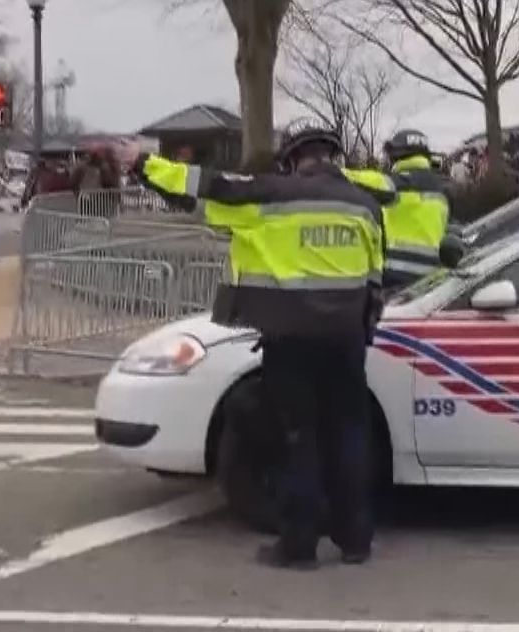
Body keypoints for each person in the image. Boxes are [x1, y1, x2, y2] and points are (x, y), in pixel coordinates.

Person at [137, 127, 384, 569]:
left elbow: (204, 186)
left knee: (298, 439)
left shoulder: (271, 196)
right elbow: (374, 277)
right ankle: (355, 540)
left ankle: (299, 546)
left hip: (291, 340)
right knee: (349, 436)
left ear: (292, 161)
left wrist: (144, 166)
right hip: (346, 340)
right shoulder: (365, 206)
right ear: (334, 158)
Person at [379, 131, 451, 289]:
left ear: (396, 155)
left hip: (393, 275)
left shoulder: (391, 184)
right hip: (433, 279)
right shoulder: (441, 188)